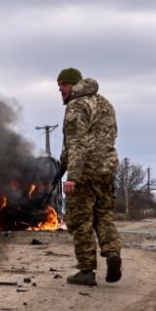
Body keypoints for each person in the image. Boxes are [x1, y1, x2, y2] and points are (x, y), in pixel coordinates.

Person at [57, 67, 122, 286]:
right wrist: (61, 165)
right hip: (107, 169)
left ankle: (86, 270)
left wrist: (72, 176)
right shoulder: (104, 103)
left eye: (64, 84)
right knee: (103, 214)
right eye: (59, 85)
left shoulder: (76, 106)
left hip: (84, 172)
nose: (60, 89)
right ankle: (112, 252)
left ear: (75, 85)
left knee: (80, 220)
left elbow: (76, 143)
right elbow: (110, 135)